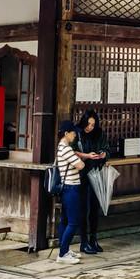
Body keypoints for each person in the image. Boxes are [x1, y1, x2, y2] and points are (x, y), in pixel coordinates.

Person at [73, 110, 109, 254]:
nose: (90, 128)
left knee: (95, 207)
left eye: (93, 125)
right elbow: (72, 151)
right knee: (83, 207)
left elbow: (107, 149)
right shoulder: (77, 132)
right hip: (81, 174)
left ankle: (94, 238)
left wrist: (103, 154)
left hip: (96, 172)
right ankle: (83, 241)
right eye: (88, 124)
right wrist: (87, 156)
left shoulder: (99, 133)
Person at [55, 120, 84, 263]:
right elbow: (80, 165)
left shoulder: (62, 148)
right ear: (66, 133)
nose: (75, 135)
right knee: (73, 222)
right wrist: (81, 160)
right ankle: (62, 254)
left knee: (65, 221)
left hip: (66, 188)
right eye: (73, 133)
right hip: (71, 188)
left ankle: (64, 249)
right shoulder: (66, 149)